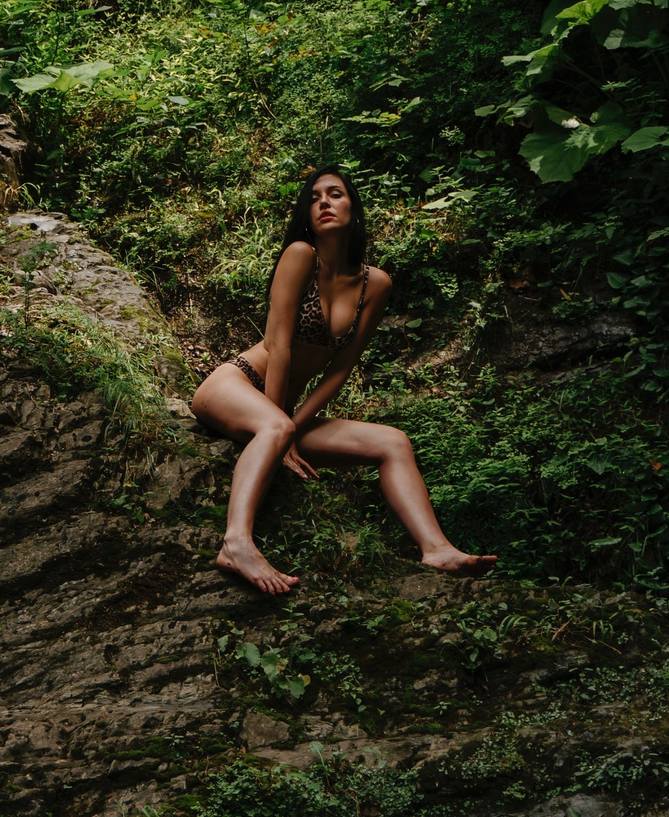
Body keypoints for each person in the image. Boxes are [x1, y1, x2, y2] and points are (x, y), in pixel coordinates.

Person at [190, 167, 496, 594]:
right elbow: (278, 346)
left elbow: (341, 369)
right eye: (315, 197)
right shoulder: (300, 255)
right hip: (238, 385)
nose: (324, 202)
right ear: (307, 213)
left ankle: (437, 549)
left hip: (284, 417)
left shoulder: (375, 284)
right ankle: (236, 543)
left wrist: (292, 426)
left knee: (393, 442)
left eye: (335, 194)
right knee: (275, 429)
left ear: (353, 207)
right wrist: (284, 428)